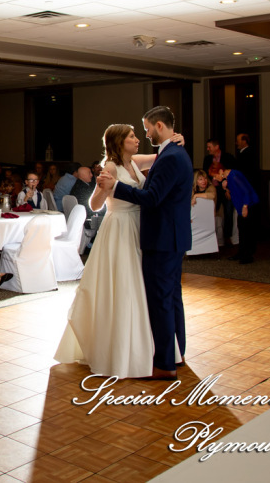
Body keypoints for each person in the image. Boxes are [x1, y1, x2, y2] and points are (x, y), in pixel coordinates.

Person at [55, 125, 179, 377]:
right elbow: (94, 204)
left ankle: (147, 347)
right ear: (119, 142)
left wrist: (176, 139)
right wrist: (104, 188)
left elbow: (160, 155)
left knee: (143, 286)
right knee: (124, 285)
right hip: (120, 228)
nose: (136, 140)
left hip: (139, 226)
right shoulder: (110, 167)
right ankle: (122, 351)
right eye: (132, 136)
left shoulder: (134, 161)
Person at [96, 106, 192, 380]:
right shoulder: (173, 153)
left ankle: (164, 364)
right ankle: (177, 353)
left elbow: (151, 198)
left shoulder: (170, 156)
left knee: (162, 300)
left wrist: (115, 187)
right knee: (172, 297)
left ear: (159, 126)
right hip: (170, 236)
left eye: (147, 128)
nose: (144, 134)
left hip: (162, 238)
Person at [218, 167, 259, 264]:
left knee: (247, 230)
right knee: (241, 228)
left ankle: (247, 256)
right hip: (242, 207)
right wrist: (226, 189)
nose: (215, 178)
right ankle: (241, 253)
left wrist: (245, 206)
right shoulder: (230, 178)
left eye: (216, 176)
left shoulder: (234, 175)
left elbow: (245, 191)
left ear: (222, 171)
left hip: (248, 205)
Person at [203, 139, 236, 245]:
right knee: (212, 211)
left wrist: (228, 189)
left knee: (228, 211)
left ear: (216, 147)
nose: (208, 149)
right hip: (213, 189)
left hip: (225, 189)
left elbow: (232, 174)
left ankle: (227, 237)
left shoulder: (228, 157)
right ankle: (212, 238)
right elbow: (205, 174)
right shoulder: (207, 159)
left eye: (209, 147)